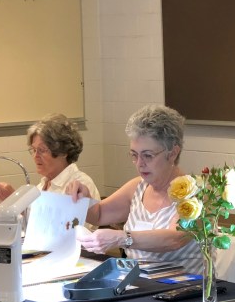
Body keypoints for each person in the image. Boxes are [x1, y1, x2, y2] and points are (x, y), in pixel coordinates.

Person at [66, 105, 202, 273]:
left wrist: (123, 238)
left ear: (173, 153)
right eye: (134, 155)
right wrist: (83, 198)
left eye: (148, 156)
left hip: (181, 289)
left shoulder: (195, 195)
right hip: (137, 284)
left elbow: (174, 239)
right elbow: (99, 215)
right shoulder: (138, 187)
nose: (139, 164)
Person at [0, 113, 100, 229]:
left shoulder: (80, 185)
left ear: (64, 152)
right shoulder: (42, 186)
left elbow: (71, 232)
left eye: (42, 150)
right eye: (33, 150)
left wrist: (17, 201)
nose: (35, 156)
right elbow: (24, 231)